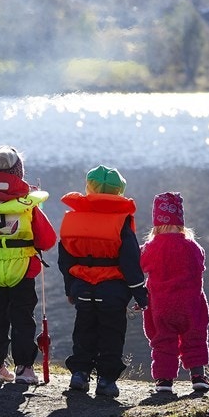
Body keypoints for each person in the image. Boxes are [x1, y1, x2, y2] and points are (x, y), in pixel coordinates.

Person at [0, 146, 57, 386]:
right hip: (23, 268)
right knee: (23, 318)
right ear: (19, 173)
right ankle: (24, 369)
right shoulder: (27, 204)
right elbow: (47, 240)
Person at [57, 164, 147, 399]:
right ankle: (106, 381)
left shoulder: (73, 218)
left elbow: (64, 259)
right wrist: (141, 294)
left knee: (84, 329)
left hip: (82, 288)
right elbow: (130, 262)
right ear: (119, 192)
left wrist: (70, 288)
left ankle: (80, 374)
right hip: (113, 291)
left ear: (89, 188)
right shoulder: (121, 221)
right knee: (111, 333)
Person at [139, 191, 209, 397]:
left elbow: (140, 265)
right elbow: (200, 267)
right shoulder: (194, 247)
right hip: (191, 304)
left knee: (163, 340)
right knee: (195, 337)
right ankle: (198, 377)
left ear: (156, 223)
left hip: (162, 306)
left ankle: (164, 381)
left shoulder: (151, 248)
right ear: (181, 222)